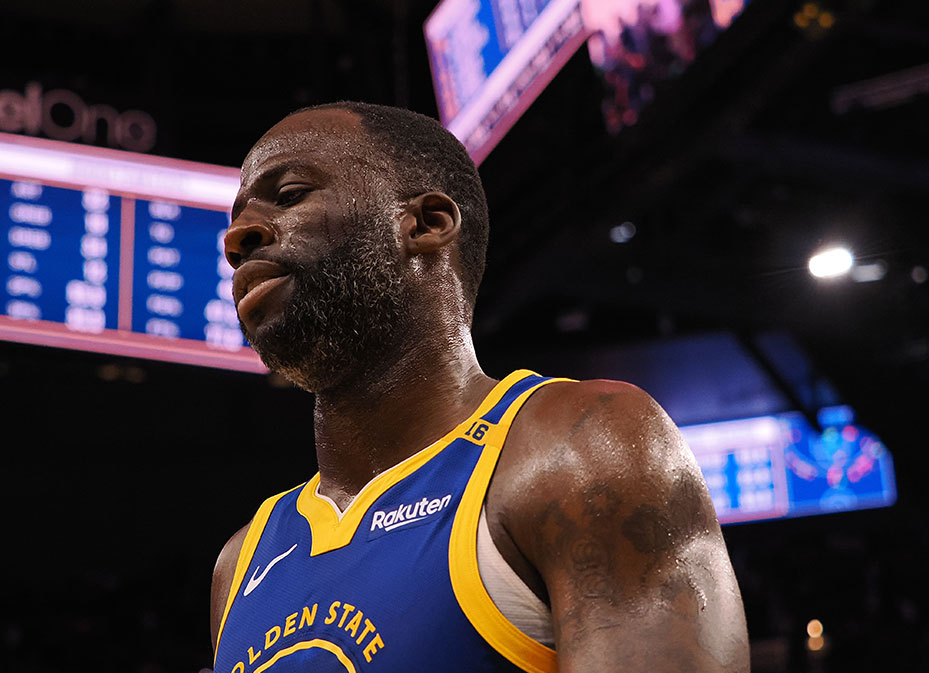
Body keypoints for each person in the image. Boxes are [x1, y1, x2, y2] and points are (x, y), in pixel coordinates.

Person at [209, 101, 749, 672]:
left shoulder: (577, 447)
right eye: (238, 216)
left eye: (290, 194)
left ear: (425, 224)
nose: (238, 237)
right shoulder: (241, 561)